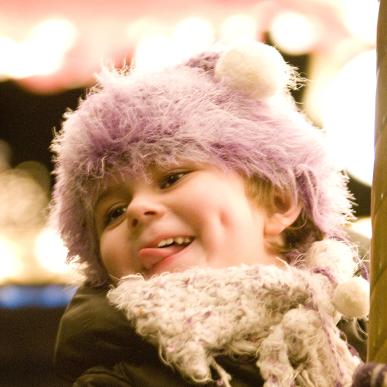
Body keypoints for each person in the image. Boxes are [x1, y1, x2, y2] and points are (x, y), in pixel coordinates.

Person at [51, 42, 368, 386]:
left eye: (171, 178)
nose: (136, 210)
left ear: (279, 203)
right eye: (112, 213)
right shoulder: (115, 377)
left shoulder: (353, 336)